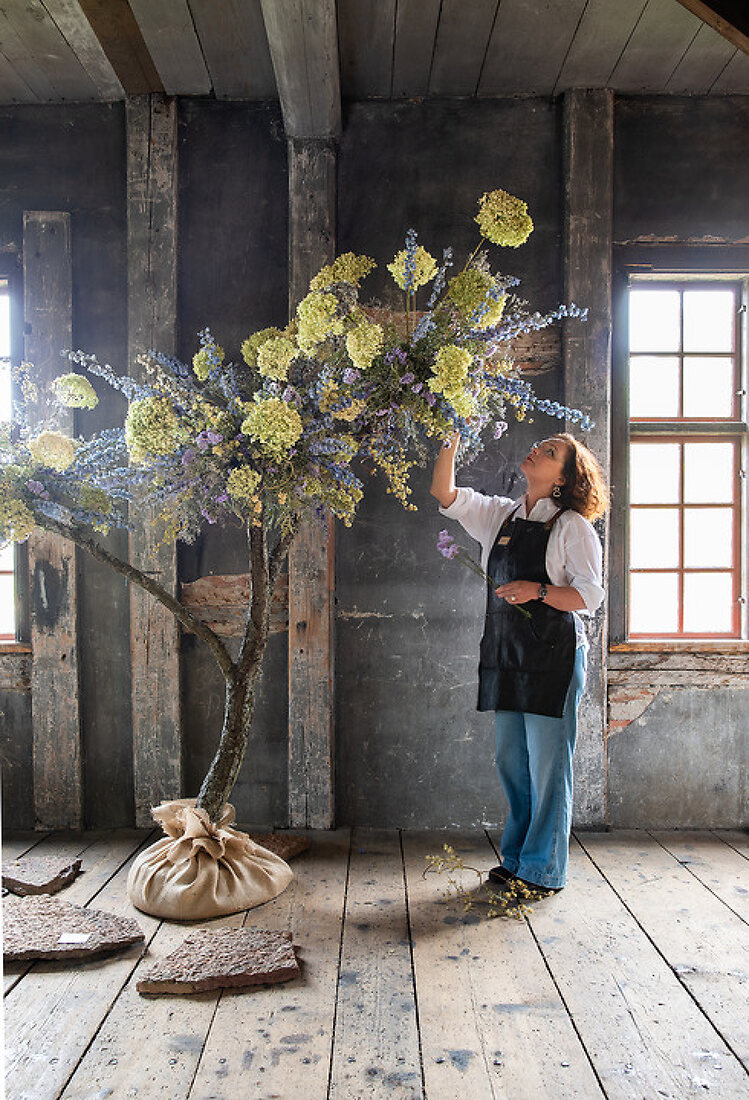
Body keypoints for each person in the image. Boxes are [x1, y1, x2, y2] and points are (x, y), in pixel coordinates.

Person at [430, 431, 608, 893]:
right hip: (509, 653)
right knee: (512, 761)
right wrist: (449, 439)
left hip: (555, 656)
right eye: (540, 445)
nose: (538, 450)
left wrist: (539, 591)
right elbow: (445, 494)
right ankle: (517, 859)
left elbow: (590, 595)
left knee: (550, 767)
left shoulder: (573, 526)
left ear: (565, 479)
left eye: (551, 452)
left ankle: (543, 870)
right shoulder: (501, 515)